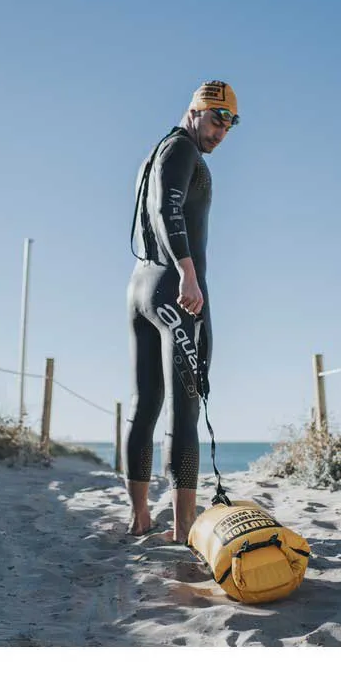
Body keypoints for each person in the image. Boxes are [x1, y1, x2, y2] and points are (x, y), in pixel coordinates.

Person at [124, 79, 240, 542]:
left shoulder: (156, 154)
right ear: (194, 111)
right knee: (183, 407)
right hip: (174, 290)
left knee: (146, 402)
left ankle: (140, 518)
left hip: (141, 287)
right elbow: (165, 209)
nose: (221, 132)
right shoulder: (181, 150)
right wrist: (188, 274)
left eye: (230, 125)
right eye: (216, 120)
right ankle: (183, 527)